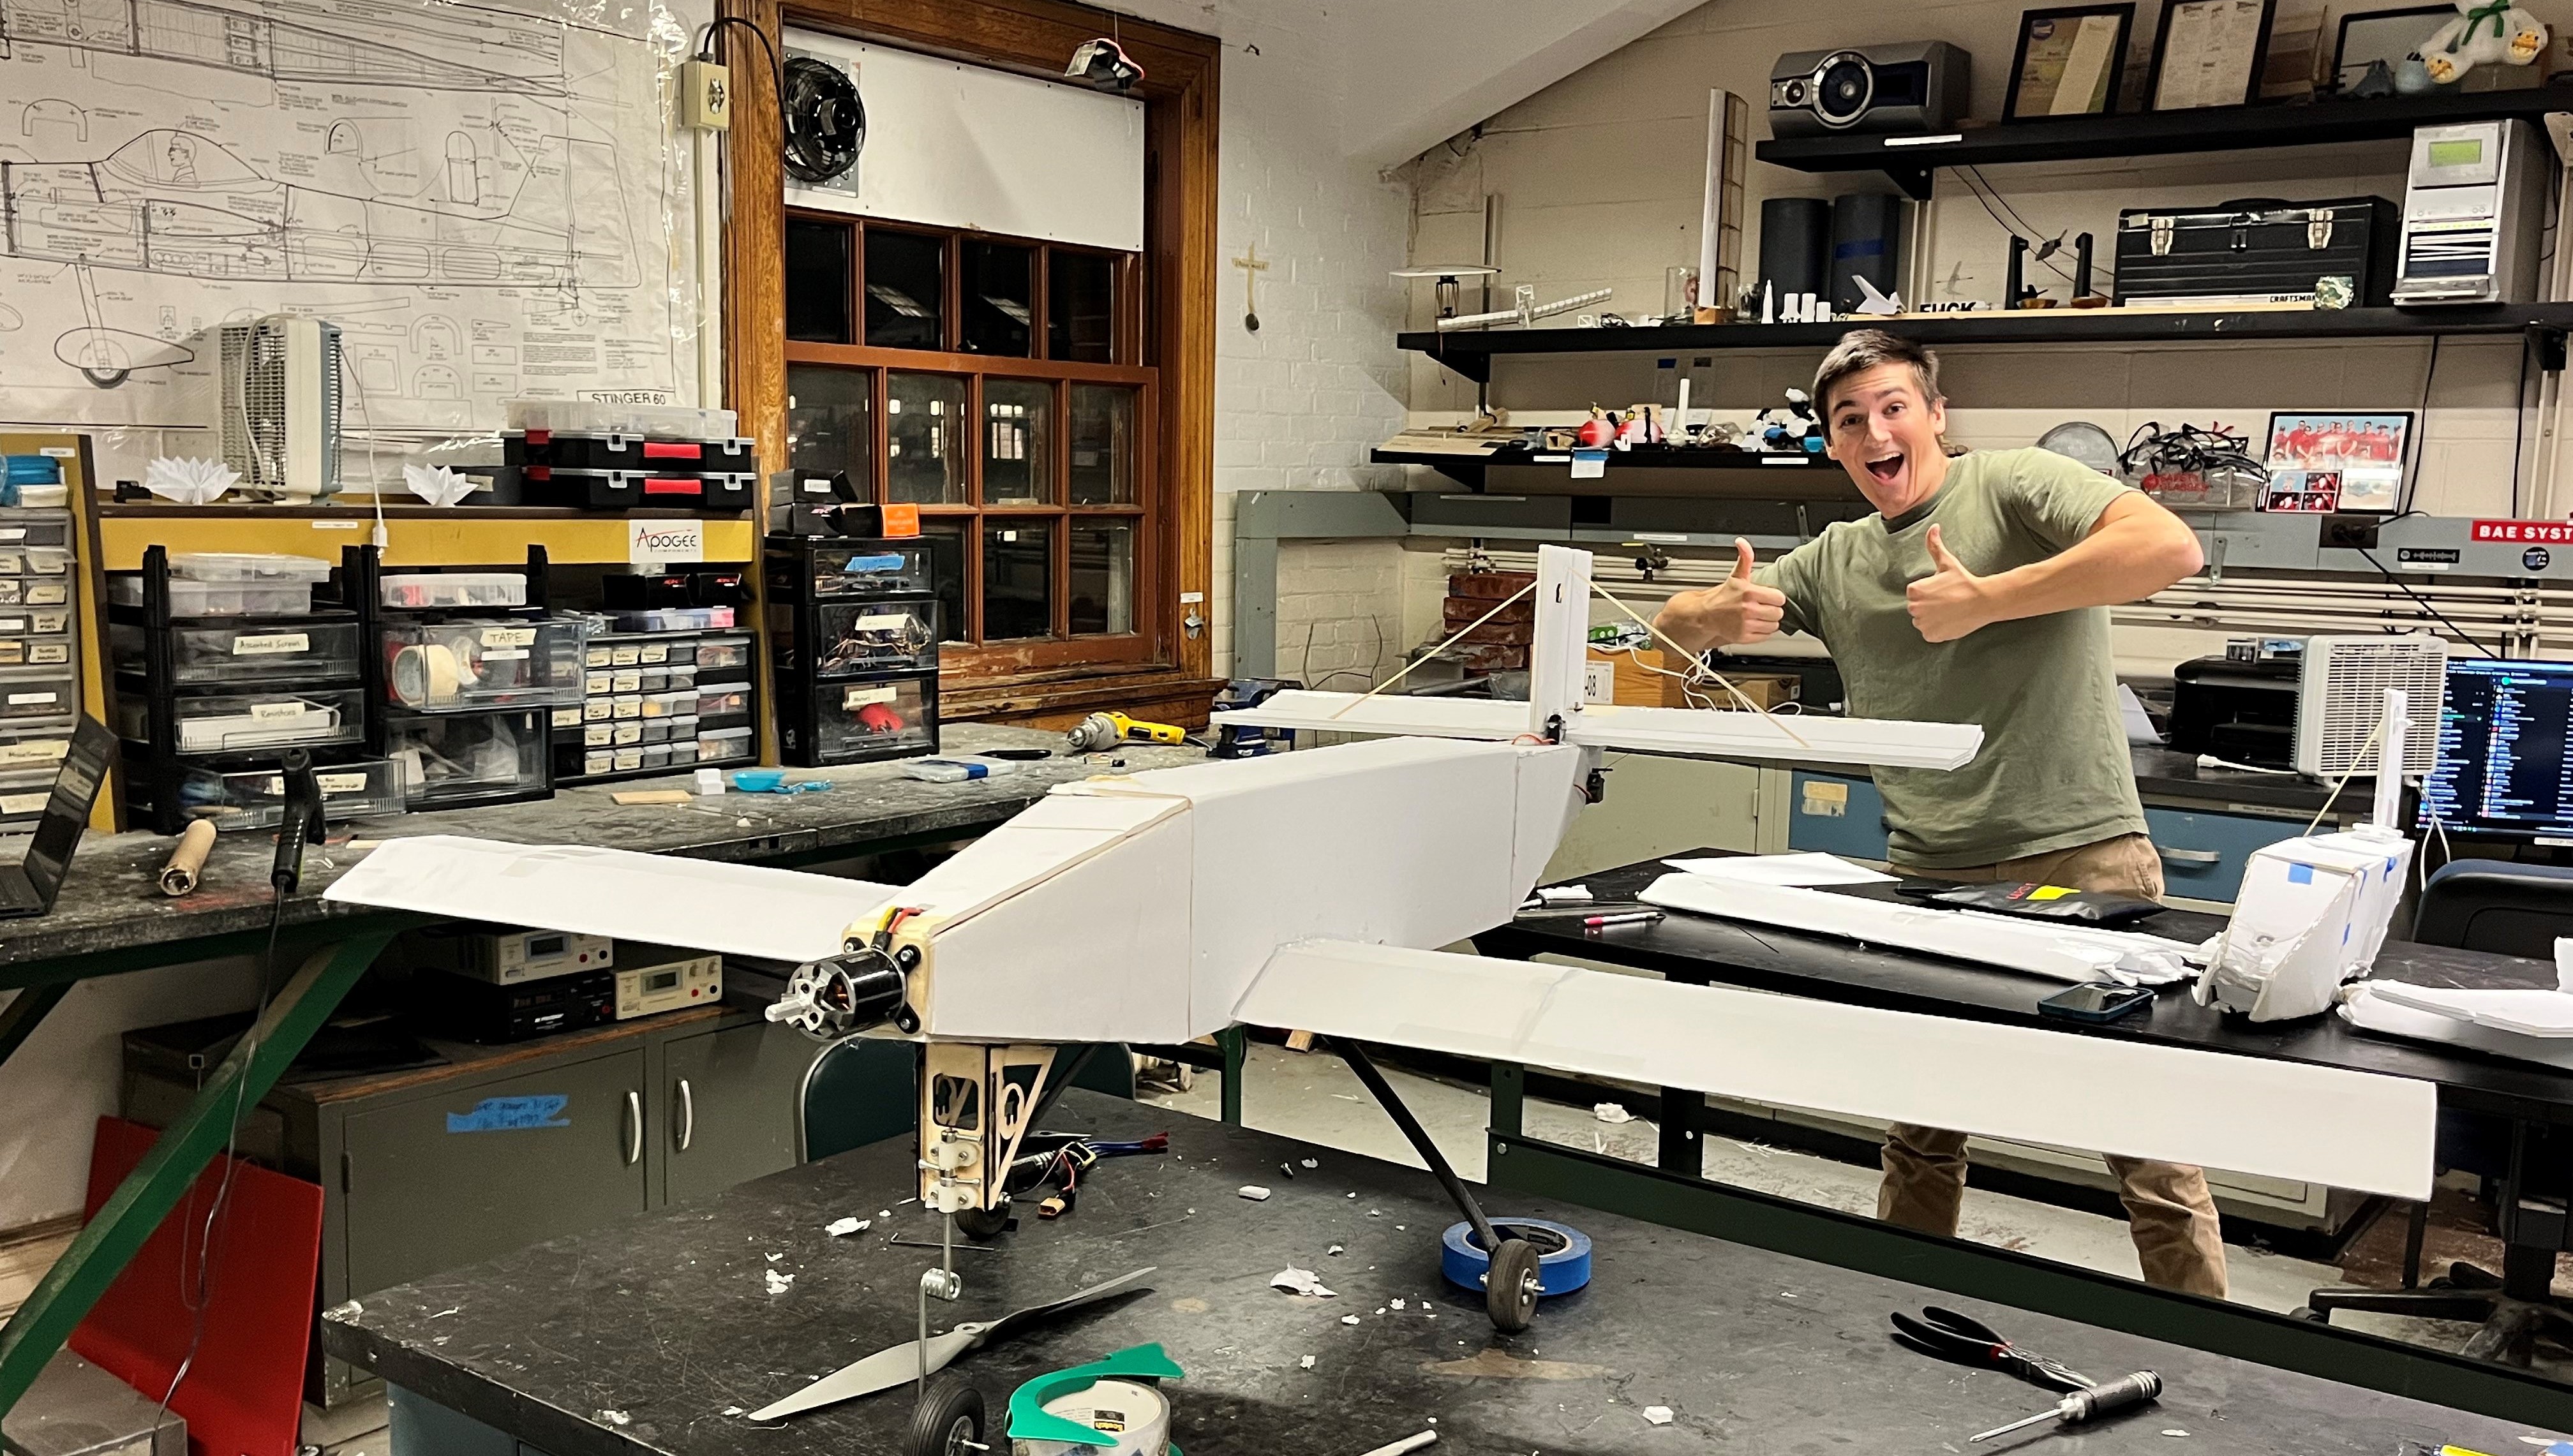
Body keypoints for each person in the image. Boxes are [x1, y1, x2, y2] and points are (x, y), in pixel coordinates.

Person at [1652, 329, 2224, 1296]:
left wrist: (1988, 598)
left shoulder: (2015, 484)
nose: (1875, 431)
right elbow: (1663, 637)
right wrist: (1708, 619)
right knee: (1919, 1132)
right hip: (1928, 874)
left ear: (1933, 415)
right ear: (1833, 446)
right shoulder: (1834, 559)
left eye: (1892, 407)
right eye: (1849, 421)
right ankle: (1903, 1313)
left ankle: (2211, 1352)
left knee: (2148, 1145)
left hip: (2081, 860)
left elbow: (2167, 546)